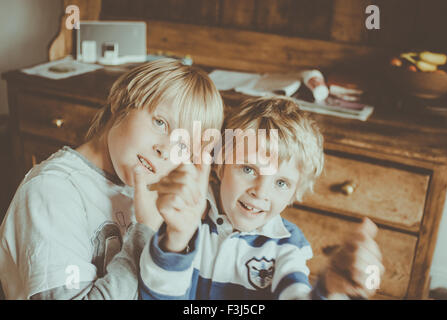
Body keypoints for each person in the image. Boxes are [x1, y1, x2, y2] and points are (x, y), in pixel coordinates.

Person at [0, 58, 224, 299]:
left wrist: (174, 243)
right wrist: (145, 232)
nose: (165, 150)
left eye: (182, 145)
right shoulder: (51, 191)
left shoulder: (150, 194)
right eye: (160, 123)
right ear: (120, 101)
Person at [137, 96, 384, 300]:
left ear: (293, 194)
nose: (261, 192)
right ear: (219, 164)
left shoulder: (288, 247)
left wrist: (329, 289)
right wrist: (177, 240)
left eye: (281, 183)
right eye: (248, 169)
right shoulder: (184, 213)